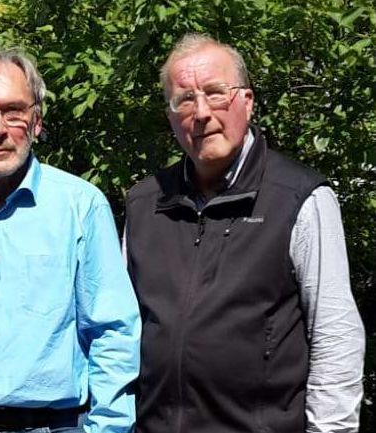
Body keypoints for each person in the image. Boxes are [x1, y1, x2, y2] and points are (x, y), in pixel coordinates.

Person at [125, 33, 365, 433]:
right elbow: (122, 332)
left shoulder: (298, 198)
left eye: (216, 93)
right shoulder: (145, 204)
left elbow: (335, 333)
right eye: (185, 100)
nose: (201, 113)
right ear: (171, 117)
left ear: (247, 102)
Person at [0, 47, 141, 433]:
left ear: (36, 121)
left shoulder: (80, 206)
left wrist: (108, 428)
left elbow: (113, 331)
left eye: (13, 111)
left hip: (51, 425)